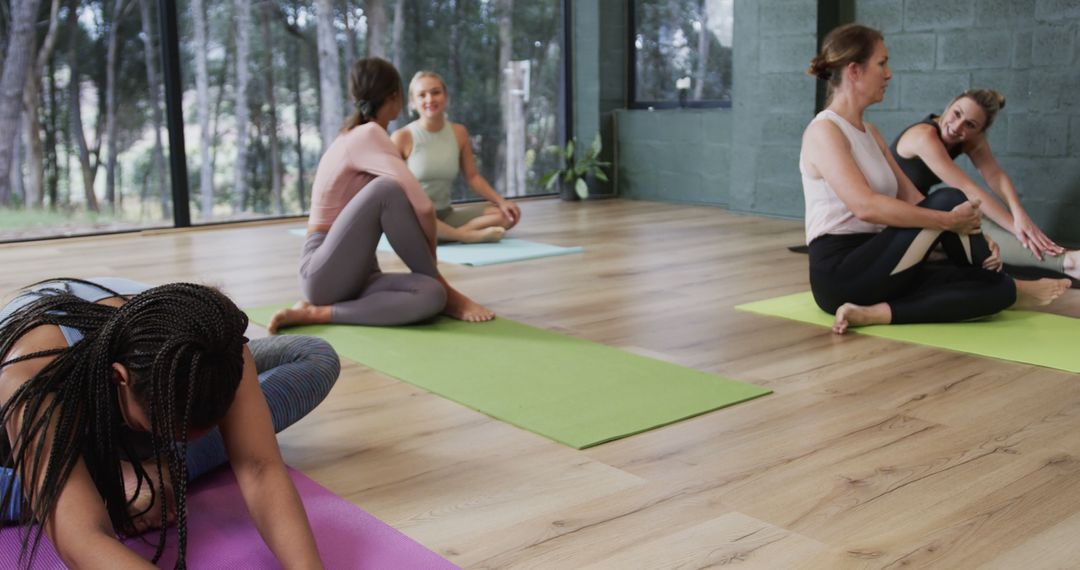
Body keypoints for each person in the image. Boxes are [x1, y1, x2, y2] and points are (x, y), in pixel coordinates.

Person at [0, 277, 340, 568]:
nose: (184, 438)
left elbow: (260, 466)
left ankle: (137, 473)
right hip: (26, 425)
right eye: (166, 429)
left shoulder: (219, 343)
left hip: (147, 396)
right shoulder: (31, 377)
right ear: (118, 379)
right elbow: (84, 540)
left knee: (314, 356)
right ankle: (113, 479)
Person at [800, 24, 1070, 334]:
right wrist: (948, 221)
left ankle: (873, 314)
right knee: (948, 199)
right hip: (843, 272)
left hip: (885, 262)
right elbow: (866, 207)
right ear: (854, 71)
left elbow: (912, 197)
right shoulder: (824, 131)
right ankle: (1001, 278)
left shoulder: (870, 133)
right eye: (882, 63)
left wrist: (979, 237)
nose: (888, 74)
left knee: (997, 291)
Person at [269, 58, 494, 334]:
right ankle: (446, 288)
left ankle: (319, 313)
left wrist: (435, 283)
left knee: (432, 294)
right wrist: (433, 267)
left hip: (358, 274)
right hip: (323, 272)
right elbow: (423, 206)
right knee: (387, 190)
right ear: (395, 97)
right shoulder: (369, 134)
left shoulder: (359, 135)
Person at [890, 89, 1079, 280]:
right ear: (950, 105)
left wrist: (1019, 214)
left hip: (918, 207)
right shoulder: (924, 136)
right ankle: (1068, 262)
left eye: (970, 125)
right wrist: (1018, 230)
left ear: (979, 130)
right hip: (892, 217)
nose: (957, 127)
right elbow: (968, 188)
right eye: (956, 113)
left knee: (976, 218)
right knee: (971, 217)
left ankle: (1068, 262)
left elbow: (995, 176)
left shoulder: (969, 138)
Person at [391, 71, 521, 244]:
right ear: (413, 103)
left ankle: (453, 234)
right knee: (412, 228)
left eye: (436, 92)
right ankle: (465, 236)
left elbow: (472, 177)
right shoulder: (402, 137)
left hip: (445, 214)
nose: (430, 99)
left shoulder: (459, 133)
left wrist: (501, 201)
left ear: (446, 96)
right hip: (416, 217)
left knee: (507, 216)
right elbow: (391, 190)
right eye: (422, 95)